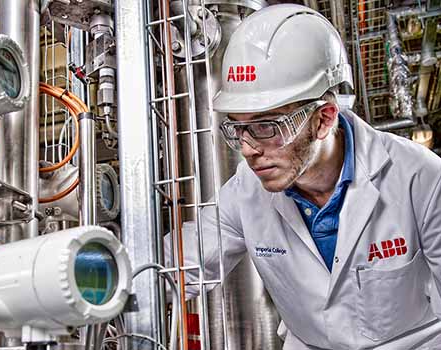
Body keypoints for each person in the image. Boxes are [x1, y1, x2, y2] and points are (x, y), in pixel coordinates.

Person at [170, 3, 441, 349]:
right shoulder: (245, 193)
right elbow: (177, 265)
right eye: (238, 129)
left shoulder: (420, 179)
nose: (248, 149)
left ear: (324, 119)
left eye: (266, 126)